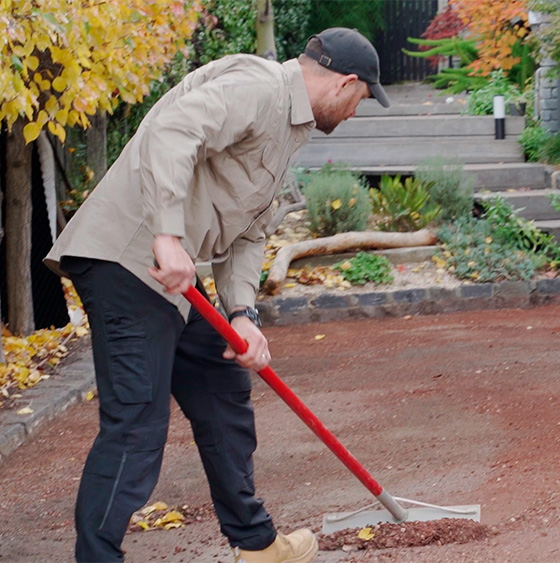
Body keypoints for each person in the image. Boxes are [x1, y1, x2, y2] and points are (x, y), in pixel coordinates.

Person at [44, 28, 390, 563]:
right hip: (129, 257)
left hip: (169, 279)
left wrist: (242, 314)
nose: (353, 113)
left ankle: (255, 543)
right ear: (346, 82)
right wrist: (166, 233)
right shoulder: (260, 87)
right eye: (360, 100)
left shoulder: (287, 130)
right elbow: (171, 132)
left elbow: (249, 233)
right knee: (136, 425)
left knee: (220, 390)